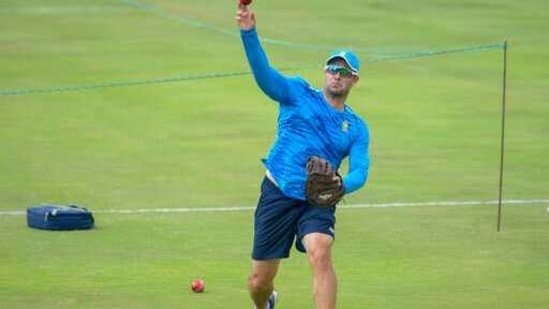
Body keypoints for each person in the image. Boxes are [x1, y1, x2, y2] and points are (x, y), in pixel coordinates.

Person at [235, 3, 370, 309]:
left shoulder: (357, 128)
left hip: (318, 198)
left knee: (320, 251)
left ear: (354, 80)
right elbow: (264, 75)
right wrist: (248, 33)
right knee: (258, 282)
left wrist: (340, 185)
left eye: (344, 72)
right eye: (333, 69)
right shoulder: (297, 92)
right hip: (278, 191)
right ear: (325, 71)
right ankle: (266, 301)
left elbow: (361, 170)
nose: (337, 75)